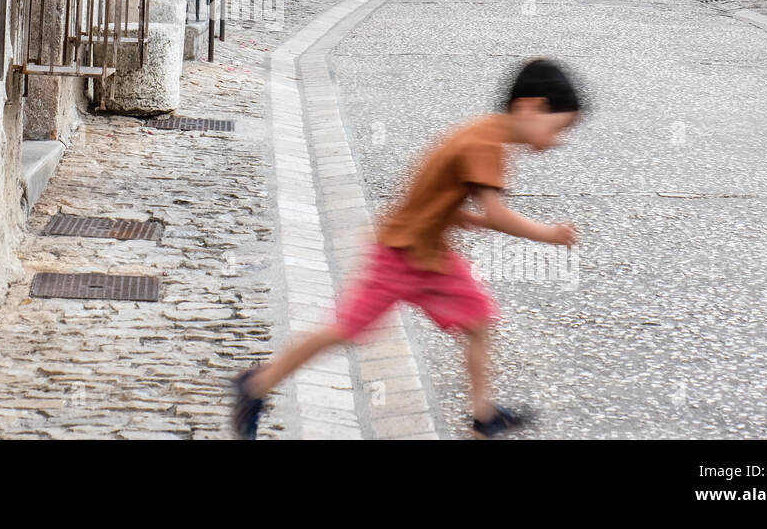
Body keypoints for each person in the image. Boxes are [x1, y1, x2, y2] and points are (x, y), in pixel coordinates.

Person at [232, 57, 583, 439]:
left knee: (479, 319)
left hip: (431, 255)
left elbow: (445, 202)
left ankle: (483, 417)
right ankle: (256, 385)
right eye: (559, 128)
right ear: (530, 107)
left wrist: (472, 221)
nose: (558, 140)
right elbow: (497, 214)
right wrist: (549, 234)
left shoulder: (486, 133)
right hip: (402, 255)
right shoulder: (487, 143)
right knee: (345, 327)